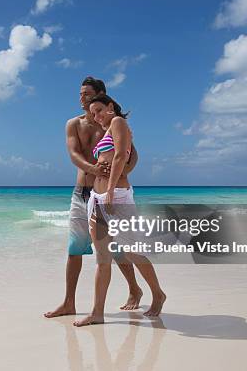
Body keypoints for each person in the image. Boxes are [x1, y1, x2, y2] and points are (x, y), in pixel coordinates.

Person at [44, 77, 143, 319]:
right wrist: (94, 169)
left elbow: (131, 156)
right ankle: (69, 302)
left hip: (106, 194)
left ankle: (135, 290)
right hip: (82, 193)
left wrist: (117, 178)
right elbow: (74, 155)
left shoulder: (112, 123)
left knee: (118, 248)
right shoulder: (74, 124)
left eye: (86, 94)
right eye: (80, 94)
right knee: (74, 249)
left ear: (101, 95)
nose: (81, 98)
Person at [73, 94, 166, 327]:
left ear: (111, 107)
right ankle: (97, 313)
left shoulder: (118, 123)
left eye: (99, 110)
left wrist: (112, 190)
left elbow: (120, 156)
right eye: (93, 113)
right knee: (102, 258)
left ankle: (158, 294)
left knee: (132, 252)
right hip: (96, 198)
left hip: (117, 197)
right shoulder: (107, 130)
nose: (96, 116)